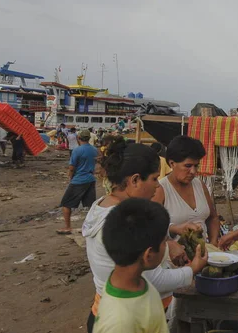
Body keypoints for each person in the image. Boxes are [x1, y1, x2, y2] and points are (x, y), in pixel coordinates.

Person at [82, 141, 204, 333]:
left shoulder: (103, 206)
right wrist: (193, 269)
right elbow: (152, 280)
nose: (157, 186)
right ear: (135, 180)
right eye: (155, 179)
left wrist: (172, 233)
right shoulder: (128, 220)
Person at [93, 199, 170, 333]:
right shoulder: (120, 323)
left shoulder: (137, 281)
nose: (167, 245)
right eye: (165, 241)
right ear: (148, 255)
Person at [153, 136, 221, 246]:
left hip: (202, 255)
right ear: (172, 164)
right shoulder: (160, 190)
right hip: (173, 259)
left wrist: (213, 242)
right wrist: (172, 234)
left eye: (196, 166)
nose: (193, 171)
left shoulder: (199, 185)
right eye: (188, 166)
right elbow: (151, 230)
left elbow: (212, 218)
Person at [58, 129, 98, 234]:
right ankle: (91, 227)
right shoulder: (94, 150)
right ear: (89, 138)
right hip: (90, 179)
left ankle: (67, 227)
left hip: (79, 179)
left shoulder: (77, 150)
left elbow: (72, 167)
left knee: (66, 204)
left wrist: (70, 177)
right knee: (90, 205)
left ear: (78, 138)